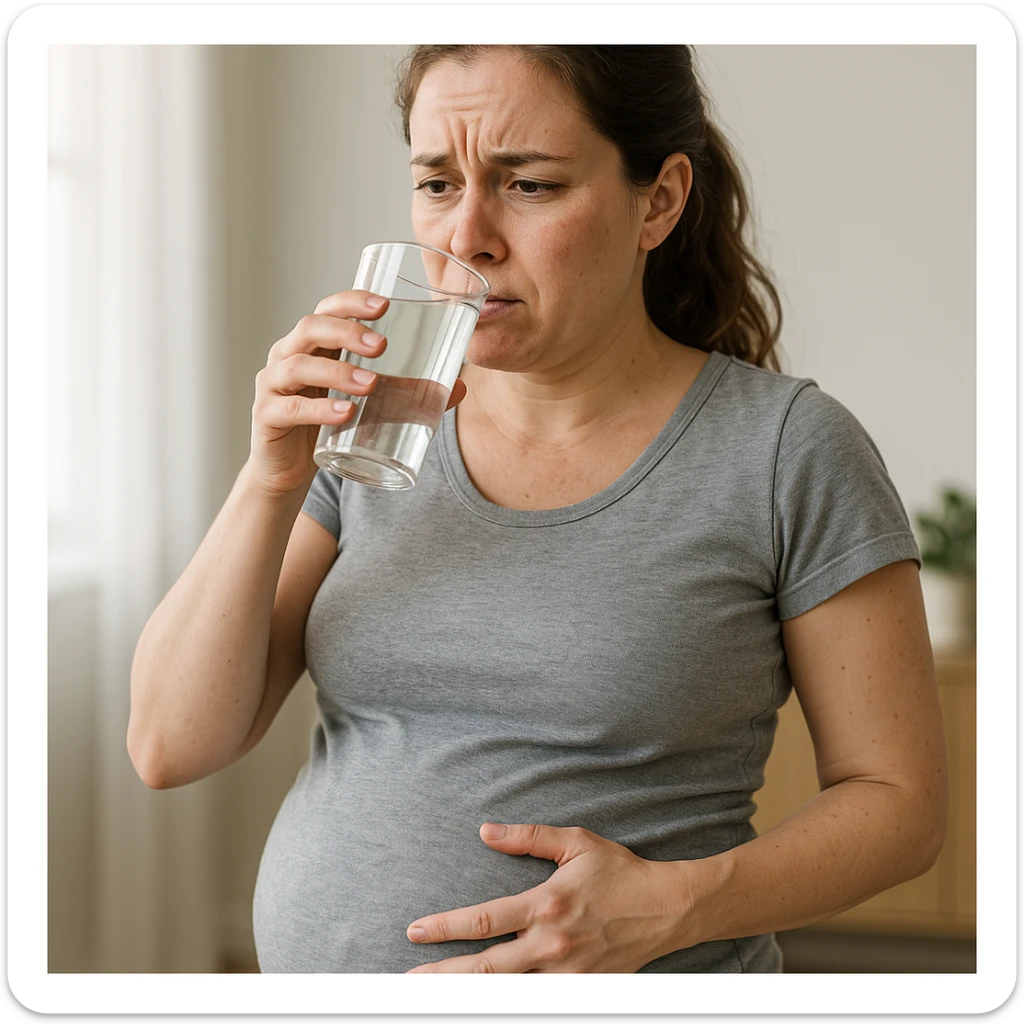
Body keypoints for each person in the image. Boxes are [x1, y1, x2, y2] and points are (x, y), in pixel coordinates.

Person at [128, 44, 948, 974]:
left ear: (660, 200)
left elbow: (899, 804)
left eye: (530, 185)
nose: (466, 235)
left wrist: (673, 906)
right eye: (438, 182)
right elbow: (168, 743)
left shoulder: (787, 450)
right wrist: (269, 475)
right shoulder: (373, 420)